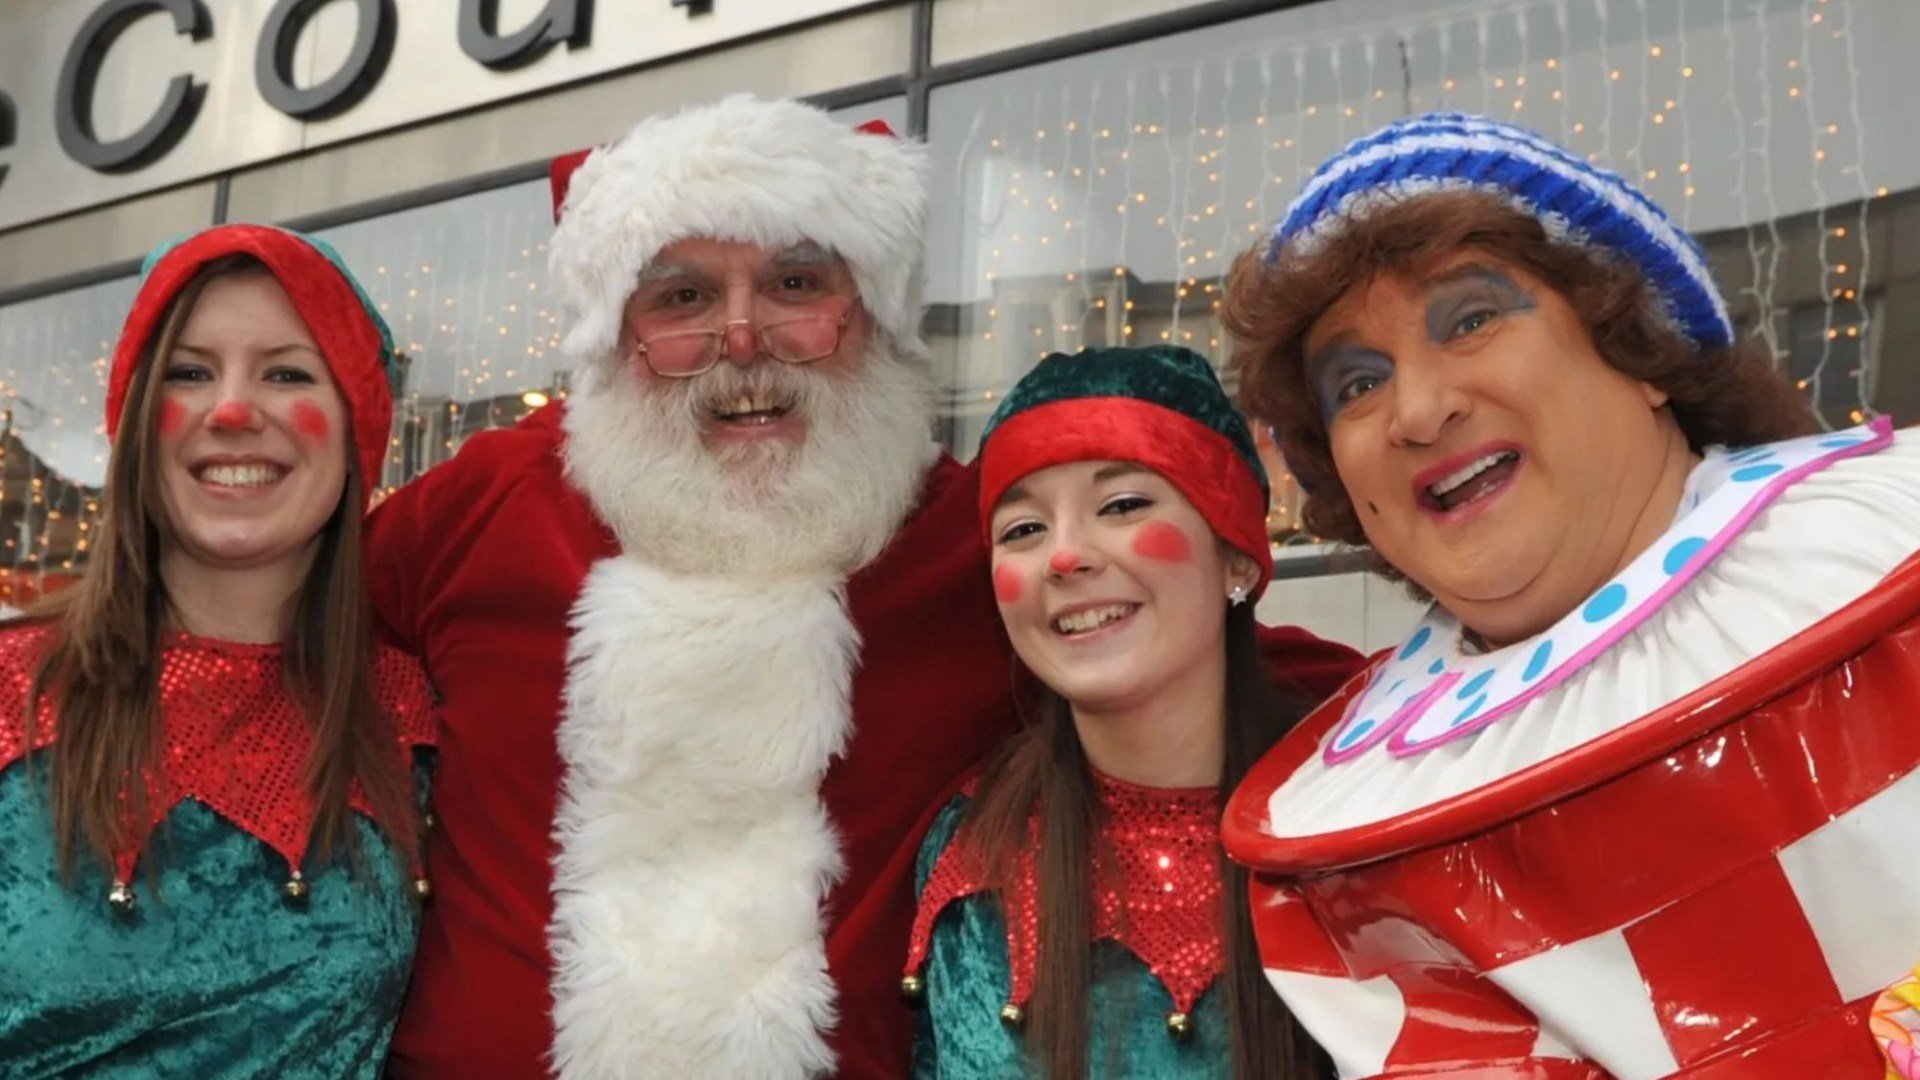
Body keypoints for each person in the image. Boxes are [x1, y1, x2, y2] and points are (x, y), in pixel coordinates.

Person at [368, 95, 1361, 1080]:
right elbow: (275, 625)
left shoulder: (976, 545)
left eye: (797, 282)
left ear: (873, 316)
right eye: (682, 299)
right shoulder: (485, 506)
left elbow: (1252, 670)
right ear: (613, 338)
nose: (742, 339)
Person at [1216, 111, 1920, 1077]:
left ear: (1638, 350)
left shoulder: (1892, 570)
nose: (1419, 411)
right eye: (1357, 384)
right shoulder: (1351, 850)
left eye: (1470, 320)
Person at [0, 224, 434, 1076]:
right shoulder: (10, 690)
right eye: (190, 373)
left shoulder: (415, 717)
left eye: (287, 373)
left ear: (355, 434)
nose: (233, 412)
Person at [902, 346, 1329, 1079]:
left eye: (1122, 505)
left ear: (1236, 557)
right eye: (1023, 530)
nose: (1064, 558)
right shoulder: (975, 853)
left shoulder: (1361, 820)